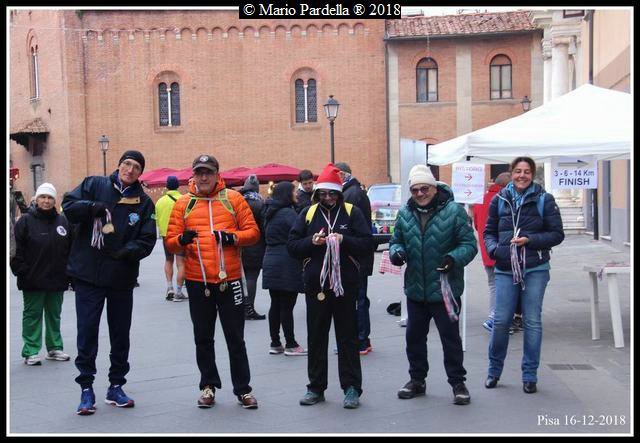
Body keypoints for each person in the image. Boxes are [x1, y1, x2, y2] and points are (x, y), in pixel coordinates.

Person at [62, 150, 156, 415]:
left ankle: (116, 385)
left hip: (121, 277)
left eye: (136, 167)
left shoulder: (143, 203)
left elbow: (148, 239)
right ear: (119, 165)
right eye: (127, 164)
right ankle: (86, 388)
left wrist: (126, 252)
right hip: (88, 274)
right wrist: (90, 207)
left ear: (140, 173)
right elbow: (68, 206)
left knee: (120, 334)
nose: (130, 170)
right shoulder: (94, 184)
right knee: (87, 332)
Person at [165, 154, 261, 409]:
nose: (204, 177)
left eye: (208, 172)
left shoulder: (234, 199)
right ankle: (208, 386)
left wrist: (233, 238)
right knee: (203, 337)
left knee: (236, 338)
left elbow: (253, 233)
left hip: (230, 279)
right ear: (193, 176)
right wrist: (181, 240)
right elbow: (170, 242)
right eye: (199, 172)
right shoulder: (183, 203)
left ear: (218, 174)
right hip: (198, 281)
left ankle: (243, 389)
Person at [389, 164, 477, 405]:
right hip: (416, 289)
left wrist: (453, 258)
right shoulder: (405, 213)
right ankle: (417, 380)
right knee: (414, 338)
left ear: (434, 188)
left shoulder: (454, 211)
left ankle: (458, 383)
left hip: (445, 289)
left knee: (450, 339)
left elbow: (469, 245)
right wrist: (397, 252)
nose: (420, 194)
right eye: (415, 190)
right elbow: (396, 241)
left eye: (424, 188)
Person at [288, 163, 372, 409]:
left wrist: (344, 240)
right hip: (316, 285)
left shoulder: (352, 212)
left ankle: (352, 388)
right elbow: (292, 246)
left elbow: (368, 243)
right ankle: (315, 388)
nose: (328, 198)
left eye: (332, 193)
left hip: (345, 285)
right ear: (317, 194)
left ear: (339, 193)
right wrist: (311, 242)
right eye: (323, 193)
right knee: (316, 337)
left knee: (347, 338)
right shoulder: (308, 213)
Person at [483, 157, 564, 394]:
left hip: (535, 268)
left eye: (527, 171)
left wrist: (531, 240)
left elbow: (557, 234)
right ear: (511, 173)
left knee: (532, 321)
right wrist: (495, 250)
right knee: (501, 321)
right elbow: (488, 232)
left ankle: (529, 375)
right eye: (518, 171)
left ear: (532, 174)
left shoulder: (544, 199)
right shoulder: (499, 199)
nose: (522, 175)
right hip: (505, 267)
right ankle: (494, 371)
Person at [10, 183, 72, 366]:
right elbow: (15, 249)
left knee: (54, 315)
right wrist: (22, 271)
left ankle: (54, 348)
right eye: (43, 197)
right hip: (33, 279)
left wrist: (69, 273)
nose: (46, 201)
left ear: (55, 200)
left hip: (57, 279)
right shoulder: (25, 221)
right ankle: (31, 351)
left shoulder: (63, 221)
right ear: (36, 199)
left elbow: (70, 248)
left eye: (50, 197)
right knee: (32, 316)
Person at [261, 181, 306, 356]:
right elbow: (300, 233)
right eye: (294, 191)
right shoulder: (288, 213)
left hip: (270, 259)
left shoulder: (270, 212)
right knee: (287, 305)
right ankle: (291, 344)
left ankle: (275, 343)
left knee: (276, 304)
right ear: (287, 194)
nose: (297, 194)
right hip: (287, 262)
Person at [335, 162, 375, 355]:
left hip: (355, 258)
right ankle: (359, 339)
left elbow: (355, 229)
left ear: (342, 175)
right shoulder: (354, 192)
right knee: (357, 299)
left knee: (356, 299)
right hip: (356, 256)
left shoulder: (352, 195)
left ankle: (360, 340)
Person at [472, 172, 511, 332]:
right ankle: (495, 319)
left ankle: (494, 317)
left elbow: (476, 225)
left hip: (487, 250)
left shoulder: (480, 199)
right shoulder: (504, 200)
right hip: (503, 250)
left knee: (493, 285)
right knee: (503, 286)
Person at [154, 175, 186, 301]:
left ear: (166, 186)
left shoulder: (159, 202)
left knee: (168, 260)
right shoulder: (183, 199)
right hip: (179, 236)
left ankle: (170, 288)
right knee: (181, 263)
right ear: (178, 186)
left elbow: (156, 219)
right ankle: (179, 291)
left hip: (166, 236)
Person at [239, 175, 267, 320]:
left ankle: (239, 307)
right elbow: (264, 227)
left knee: (239, 277)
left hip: (239, 243)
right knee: (251, 277)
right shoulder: (260, 203)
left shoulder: (238, 201)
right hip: (256, 245)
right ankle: (249, 308)